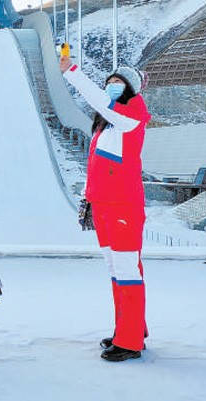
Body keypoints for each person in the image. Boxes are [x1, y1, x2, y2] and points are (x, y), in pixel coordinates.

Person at [60, 57, 151, 362]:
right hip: (104, 206)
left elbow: (100, 101)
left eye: (118, 83)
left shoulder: (133, 113)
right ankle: (129, 330)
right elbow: (99, 168)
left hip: (124, 206)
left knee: (126, 271)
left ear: (130, 90)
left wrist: (73, 73)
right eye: (110, 82)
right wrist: (89, 199)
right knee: (118, 270)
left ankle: (130, 341)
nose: (112, 86)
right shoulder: (107, 125)